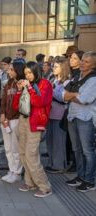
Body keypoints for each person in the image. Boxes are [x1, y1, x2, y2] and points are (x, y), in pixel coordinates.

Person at [13, 61, 53, 198]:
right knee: (23, 153)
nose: (28, 76)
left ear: (36, 71)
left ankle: (45, 186)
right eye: (25, 74)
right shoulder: (25, 85)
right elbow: (15, 106)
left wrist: (29, 88)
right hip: (23, 120)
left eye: (30, 73)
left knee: (31, 155)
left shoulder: (45, 84)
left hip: (36, 123)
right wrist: (19, 91)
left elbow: (39, 102)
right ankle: (30, 182)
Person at [64, 51, 96, 192]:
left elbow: (84, 99)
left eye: (86, 61)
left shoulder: (93, 80)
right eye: (82, 60)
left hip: (86, 118)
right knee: (76, 149)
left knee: (87, 151)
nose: (82, 63)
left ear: (94, 65)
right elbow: (62, 94)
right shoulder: (77, 77)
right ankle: (81, 176)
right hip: (73, 116)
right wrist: (74, 95)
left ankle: (90, 180)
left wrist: (72, 95)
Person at [0, 60, 25, 183]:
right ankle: (11, 169)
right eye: (9, 69)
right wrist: (2, 114)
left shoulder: (22, 84)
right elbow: (3, 100)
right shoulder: (8, 83)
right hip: (6, 119)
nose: (9, 72)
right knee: (8, 147)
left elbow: (21, 104)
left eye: (11, 69)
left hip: (16, 119)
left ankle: (17, 172)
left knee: (16, 148)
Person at [45, 57, 70, 174]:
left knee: (59, 141)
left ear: (63, 68)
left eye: (56, 67)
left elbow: (64, 98)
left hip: (60, 115)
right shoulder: (53, 79)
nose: (53, 68)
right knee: (50, 140)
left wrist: (51, 91)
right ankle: (51, 163)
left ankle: (59, 165)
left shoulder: (68, 81)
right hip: (50, 113)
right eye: (53, 66)